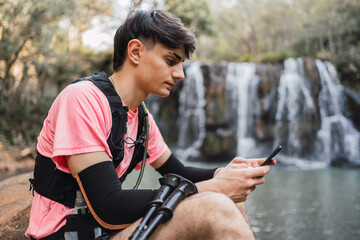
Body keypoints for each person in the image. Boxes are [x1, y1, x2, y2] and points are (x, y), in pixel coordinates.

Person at [26, 9, 276, 240]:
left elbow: (180, 172)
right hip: (67, 235)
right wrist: (214, 188)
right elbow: (108, 206)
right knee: (216, 204)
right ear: (135, 52)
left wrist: (224, 174)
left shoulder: (140, 117)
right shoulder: (82, 99)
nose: (180, 74)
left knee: (232, 200)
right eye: (171, 60)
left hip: (105, 233)